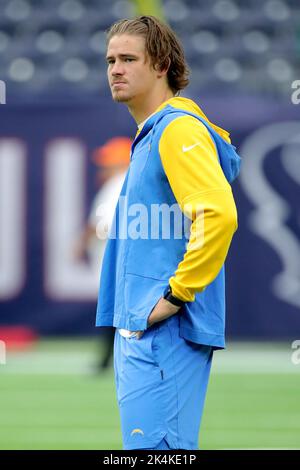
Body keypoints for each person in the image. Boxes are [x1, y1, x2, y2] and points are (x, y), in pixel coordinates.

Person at [96, 16, 241, 450]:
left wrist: (176, 295)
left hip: (164, 330)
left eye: (128, 59)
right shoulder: (153, 134)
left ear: (161, 64)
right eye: (110, 60)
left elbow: (218, 215)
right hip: (144, 327)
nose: (115, 69)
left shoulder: (177, 130)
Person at [75, 137, 131, 369]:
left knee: (117, 312)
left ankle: (107, 361)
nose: (103, 167)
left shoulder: (119, 183)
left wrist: (83, 241)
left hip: (116, 261)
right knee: (118, 313)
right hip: (119, 261)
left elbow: (106, 226)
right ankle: (108, 359)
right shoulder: (124, 183)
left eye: (109, 161)